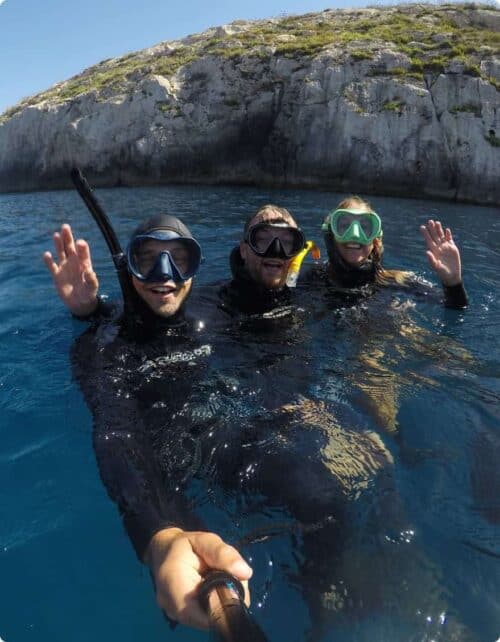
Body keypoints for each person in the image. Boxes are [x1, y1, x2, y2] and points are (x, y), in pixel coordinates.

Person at [43, 216, 253, 631]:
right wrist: (158, 536)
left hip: (220, 442)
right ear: (128, 268)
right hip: (159, 469)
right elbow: (116, 433)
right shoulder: (104, 347)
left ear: (196, 269)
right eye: (149, 260)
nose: (164, 276)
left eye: (179, 260)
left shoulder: (215, 313)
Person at [314, 195, 468, 308]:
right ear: (331, 235)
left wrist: (453, 283)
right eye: (344, 226)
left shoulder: (398, 280)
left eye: (365, 228)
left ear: (375, 241)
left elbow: (453, 306)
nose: (355, 234)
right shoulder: (314, 279)